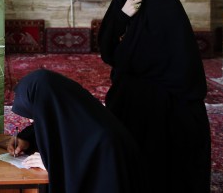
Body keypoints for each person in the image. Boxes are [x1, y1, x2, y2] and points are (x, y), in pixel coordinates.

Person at [98, 0, 211, 192]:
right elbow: (107, 50)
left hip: (163, 94)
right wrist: (122, 16)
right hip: (130, 90)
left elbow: (178, 57)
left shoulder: (166, 5)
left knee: (157, 162)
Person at [8, 69, 148, 193]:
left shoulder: (106, 140)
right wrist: (25, 138)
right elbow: (57, 128)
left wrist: (52, 165)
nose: (32, 122)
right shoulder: (76, 114)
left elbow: (94, 179)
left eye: (35, 115)